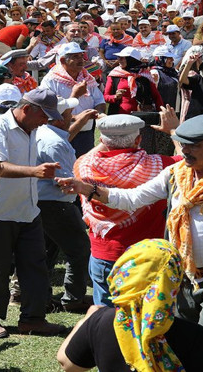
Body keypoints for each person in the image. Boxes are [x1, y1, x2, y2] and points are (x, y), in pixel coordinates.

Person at [57, 113, 203, 351]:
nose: (185, 151)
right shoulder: (176, 174)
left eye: (193, 146)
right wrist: (86, 189)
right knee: (178, 346)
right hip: (181, 280)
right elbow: (132, 199)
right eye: (185, 144)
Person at [0, 88, 67, 339]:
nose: (47, 121)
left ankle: (32, 319)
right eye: (44, 115)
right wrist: (34, 172)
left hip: (28, 210)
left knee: (35, 267)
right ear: (26, 109)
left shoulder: (31, 128)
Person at [57, 239, 203, 372]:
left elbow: (67, 362)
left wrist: (87, 320)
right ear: (171, 284)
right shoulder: (193, 337)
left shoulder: (101, 322)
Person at [72, 114, 180, 306]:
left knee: (105, 315)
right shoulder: (160, 165)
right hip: (147, 253)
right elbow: (184, 161)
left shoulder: (84, 166)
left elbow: (92, 153)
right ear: (139, 139)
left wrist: (109, 132)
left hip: (104, 253)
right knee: (145, 313)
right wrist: (173, 131)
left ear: (102, 140)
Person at [35, 97, 95, 312]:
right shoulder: (55, 143)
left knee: (45, 253)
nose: (73, 115)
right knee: (79, 250)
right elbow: (64, 182)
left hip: (43, 202)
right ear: (59, 119)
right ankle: (73, 298)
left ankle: (38, 296)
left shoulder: (43, 135)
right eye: (69, 113)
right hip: (56, 204)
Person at [40, 42, 105, 155]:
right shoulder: (51, 80)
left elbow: (99, 100)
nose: (81, 60)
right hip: (61, 131)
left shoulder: (87, 77)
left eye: (81, 56)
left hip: (86, 132)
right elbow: (49, 108)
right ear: (63, 61)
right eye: (75, 57)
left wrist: (99, 114)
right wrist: (76, 118)